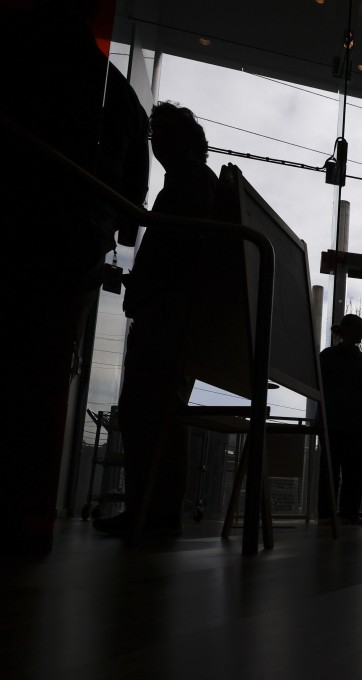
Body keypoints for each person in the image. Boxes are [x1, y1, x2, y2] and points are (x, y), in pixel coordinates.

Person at [2, 0, 149, 552]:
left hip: (24, 217)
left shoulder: (19, 46)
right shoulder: (121, 96)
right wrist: (114, 231)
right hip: (78, 241)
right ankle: (26, 511)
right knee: (41, 368)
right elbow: (133, 195)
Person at [94, 102, 217, 538]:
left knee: (148, 411)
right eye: (156, 131)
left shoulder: (190, 186)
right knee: (153, 412)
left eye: (167, 131)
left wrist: (152, 295)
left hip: (166, 313)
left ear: (189, 140)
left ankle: (152, 512)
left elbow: (180, 255)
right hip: (164, 310)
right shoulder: (192, 184)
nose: (158, 139)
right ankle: (153, 511)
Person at [317, 314, 362, 526]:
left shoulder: (327, 356)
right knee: (353, 471)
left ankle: (326, 514)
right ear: (346, 330)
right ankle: (349, 513)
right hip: (354, 422)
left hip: (333, 420)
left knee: (330, 470)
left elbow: (319, 384)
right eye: (359, 328)